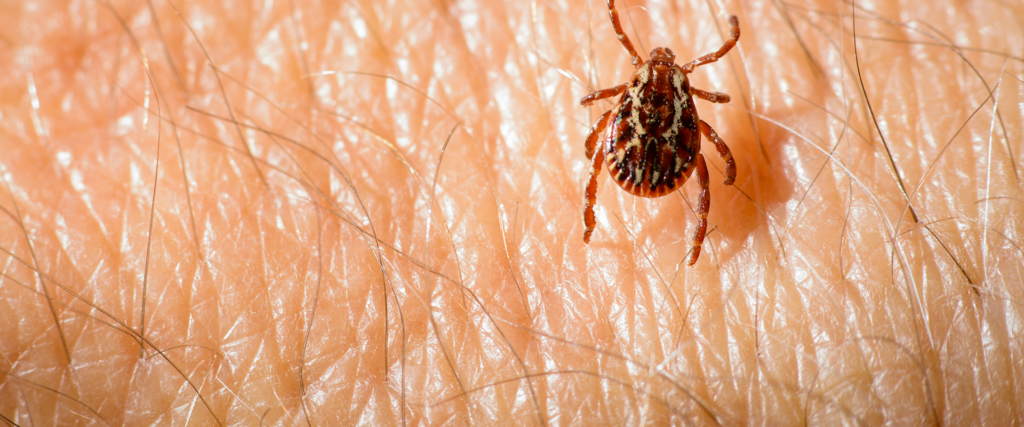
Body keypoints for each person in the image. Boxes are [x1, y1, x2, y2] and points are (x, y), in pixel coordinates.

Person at [0, 0, 1020, 424]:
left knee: (630, 162)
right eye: (653, 76)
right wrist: (722, 192)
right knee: (705, 172)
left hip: (635, 176)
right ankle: (655, 229)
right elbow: (710, 156)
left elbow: (606, 139)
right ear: (660, 84)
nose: (658, 82)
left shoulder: (628, 106)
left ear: (653, 82)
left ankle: (611, 223)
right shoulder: (691, 114)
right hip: (666, 177)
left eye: (659, 76)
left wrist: (602, 188)